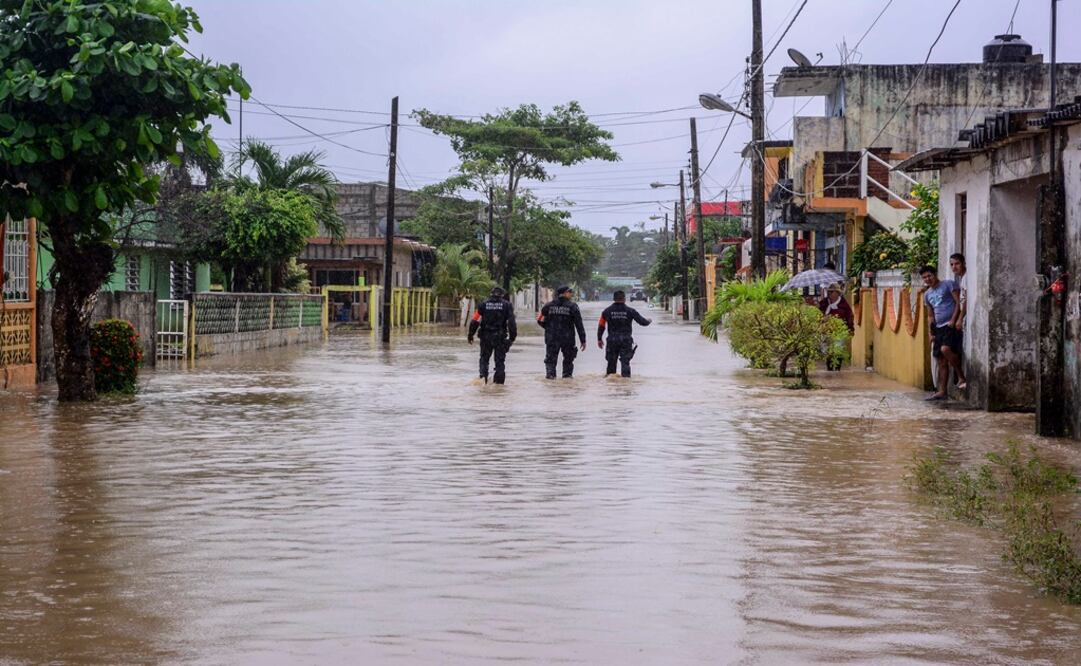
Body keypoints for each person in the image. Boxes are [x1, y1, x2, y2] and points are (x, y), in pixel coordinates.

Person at [920, 265, 966, 400]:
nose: (927, 279)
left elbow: (958, 303)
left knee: (945, 349)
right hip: (938, 328)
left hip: (950, 326)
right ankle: (942, 391)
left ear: (935, 274)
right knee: (941, 361)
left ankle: (961, 376)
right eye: (924, 277)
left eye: (929, 276)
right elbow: (930, 315)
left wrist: (954, 319)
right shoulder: (927, 294)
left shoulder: (948, 285)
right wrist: (930, 332)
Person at [467, 286, 517, 385]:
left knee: (484, 359)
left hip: (485, 337)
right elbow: (512, 323)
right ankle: (499, 386)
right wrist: (512, 338)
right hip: (500, 338)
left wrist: (470, 334)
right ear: (502, 295)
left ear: (491, 294)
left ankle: (483, 380)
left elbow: (475, 320)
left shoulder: (483, 304)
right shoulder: (507, 305)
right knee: (500, 362)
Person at [598, 290, 652, 377]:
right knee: (625, 363)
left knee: (611, 363)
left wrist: (599, 339)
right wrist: (649, 321)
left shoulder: (606, 311)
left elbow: (601, 326)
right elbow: (643, 322)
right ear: (624, 299)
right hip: (626, 341)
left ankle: (610, 383)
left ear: (614, 299)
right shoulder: (630, 311)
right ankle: (626, 382)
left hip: (612, 341)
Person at [537, 285, 586, 379]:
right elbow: (579, 324)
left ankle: (550, 378)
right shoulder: (573, 306)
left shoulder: (548, 306)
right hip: (567, 338)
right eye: (570, 292)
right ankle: (567, 380)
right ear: (564, 293)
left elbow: (539, 320)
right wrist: (583, 340)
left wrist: (549, 328)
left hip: (552, 338)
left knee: (550, 360)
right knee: (568, 360)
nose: (571, 294)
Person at [818, 283, 854, 371]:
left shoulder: (843, 304)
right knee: (827, 350)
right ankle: (829, 368)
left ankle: (837, 368)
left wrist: (850, 329)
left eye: (831, 292)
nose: (829, 294)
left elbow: (849, 316)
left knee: (838, 349)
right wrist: (822, 317)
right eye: (828, 292)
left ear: (837, 293)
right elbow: (818, 314)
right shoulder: (824, 302)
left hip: (839, 330)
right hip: (826, 330)